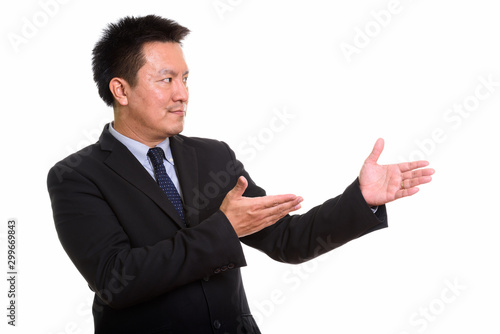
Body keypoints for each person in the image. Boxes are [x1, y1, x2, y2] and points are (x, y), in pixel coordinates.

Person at [47, 15, 434, 334]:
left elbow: (288, 240)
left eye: (185, 79)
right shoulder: (76, 176)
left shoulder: (213, 156)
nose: (182, 93)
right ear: (121, 90)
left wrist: (360, 199)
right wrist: (224, 228)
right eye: (166, 79)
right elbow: (117, 280)